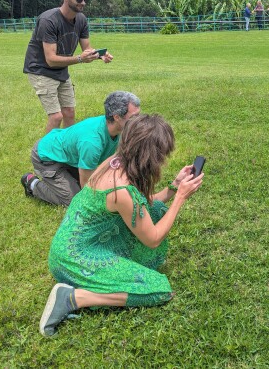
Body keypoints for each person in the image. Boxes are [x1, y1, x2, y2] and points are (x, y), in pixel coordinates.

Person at [39, 113, 204, 337]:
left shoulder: (114, 163)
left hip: (70, 248)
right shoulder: (122, 190)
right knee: (157, 289)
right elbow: (153, 238)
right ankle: (73, 298)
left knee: (154, 211)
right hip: (75, 259)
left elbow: (142, 206)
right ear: (151, 156)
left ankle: (94, 284)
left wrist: (174, 186)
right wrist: (180, 198)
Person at [23, 0, 114, 133]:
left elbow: (87, 49)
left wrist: (99, 55)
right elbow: (51, 60)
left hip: (61, 70)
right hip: (41, 70)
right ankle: (44, 154)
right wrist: (79, 59)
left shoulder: (81, 20)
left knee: (69, 113)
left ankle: (67, 149)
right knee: (56, 116)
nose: (83, 3)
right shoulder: (49, 20)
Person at [21, 91, 140, 206]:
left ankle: (66, 175)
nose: (139, 120)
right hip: (46, 157)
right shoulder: (92, 143)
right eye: (134, 116)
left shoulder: (117, 129)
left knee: (101, 183)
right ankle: (32, 183)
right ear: (117, 117)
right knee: (74, 200)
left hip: (67, 157)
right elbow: (86, 185)